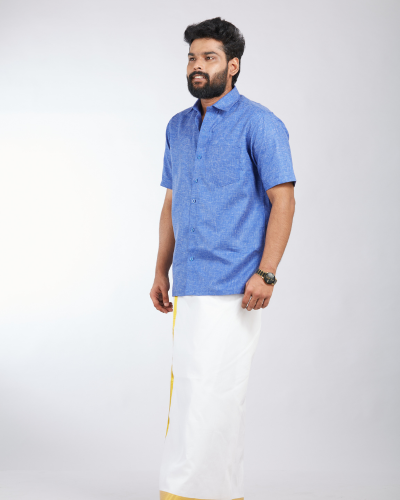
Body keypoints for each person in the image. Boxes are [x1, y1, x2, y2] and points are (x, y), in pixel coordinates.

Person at [150, 16, 296, 500]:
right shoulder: (177, 126)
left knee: (217, 395)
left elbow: (283, 200)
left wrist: (267, 273)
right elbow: (172, 202)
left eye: (209, 57)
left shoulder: (260, 123)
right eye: (192, 57)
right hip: (189, 282)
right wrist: (160, 270)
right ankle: (194, 491)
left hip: (237, 284)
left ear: (232, 65)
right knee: (190, 392)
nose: (197, 65)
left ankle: (197, 493)